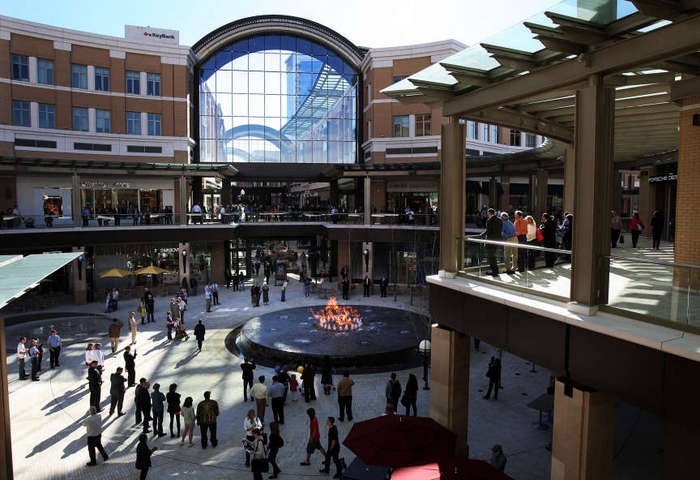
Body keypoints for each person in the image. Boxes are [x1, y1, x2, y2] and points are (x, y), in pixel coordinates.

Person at [482, 208, 503, 276]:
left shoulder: (489, 220)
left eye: (487, 213)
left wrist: (482, 234)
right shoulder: (500, 220)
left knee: (491, 257)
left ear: (489, 213)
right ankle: (495, 270)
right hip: (497, 240)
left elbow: (488, 231)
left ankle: (494, 271)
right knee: (493, 256)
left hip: (491, 241)